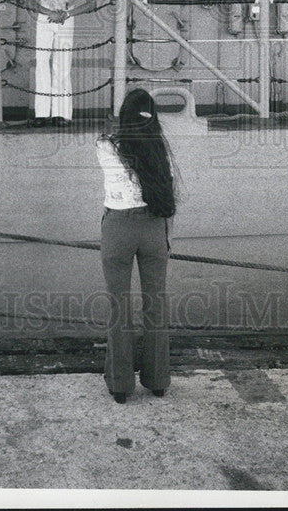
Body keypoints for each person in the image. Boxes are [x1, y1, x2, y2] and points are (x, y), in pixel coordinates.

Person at [95, 88, 178, 403]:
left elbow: (118, 136)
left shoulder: (104, 145)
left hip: (118, 227)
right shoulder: (160, 149)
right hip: (154, 226)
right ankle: (158, 381)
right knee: (156, 304)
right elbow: (167, 194)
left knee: (119, 307)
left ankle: (120, 386)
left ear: (123, 117)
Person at [26, 0, 96, 126]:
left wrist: (67, 14)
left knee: (63, 66)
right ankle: (41, 114)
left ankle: (61, 114)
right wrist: (51, 13)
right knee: (41, 63)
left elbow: (92, 3)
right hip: (45, 19)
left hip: (66, 20)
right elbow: (30, 1)